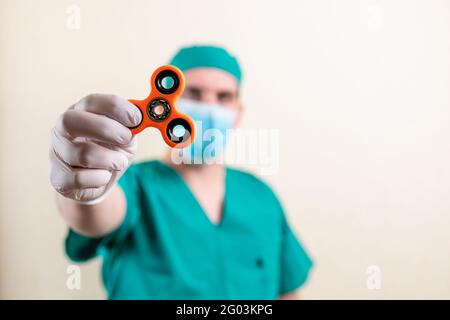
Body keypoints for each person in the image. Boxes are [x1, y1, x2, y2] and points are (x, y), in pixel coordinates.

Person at [49, 45, 313, 299]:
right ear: (167, 97)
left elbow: (287, 292)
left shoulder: (260, 196)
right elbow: (95, 215)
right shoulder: (134, 183)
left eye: (224, 97)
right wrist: (83, 183)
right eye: (194, 94)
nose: (210, 109)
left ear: (238, 113)